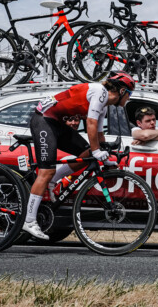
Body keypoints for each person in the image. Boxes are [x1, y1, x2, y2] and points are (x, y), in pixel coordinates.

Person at [22, 71, 135, 239]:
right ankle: (29, 221)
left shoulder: (104, 105)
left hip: (57, 122)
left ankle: (54, 181)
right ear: (122, 92)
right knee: (46, 171)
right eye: (130, 94)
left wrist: (105, 157)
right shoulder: (100, 92)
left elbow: (99, 135)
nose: (129, 99)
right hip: (44, 120)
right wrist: (97, 150)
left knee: (88, 155)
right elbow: (90, 122)